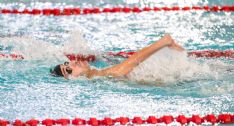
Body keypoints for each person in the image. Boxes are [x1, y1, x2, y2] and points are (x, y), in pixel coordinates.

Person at [50, 35, 185, 79]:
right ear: (72, 79)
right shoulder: (100, 76)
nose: (73, 62)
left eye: (66, 63)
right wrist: (163, 42)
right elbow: (132, 62)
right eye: (68, 70)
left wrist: (163, 42)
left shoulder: (101, 74)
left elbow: (132, 63)